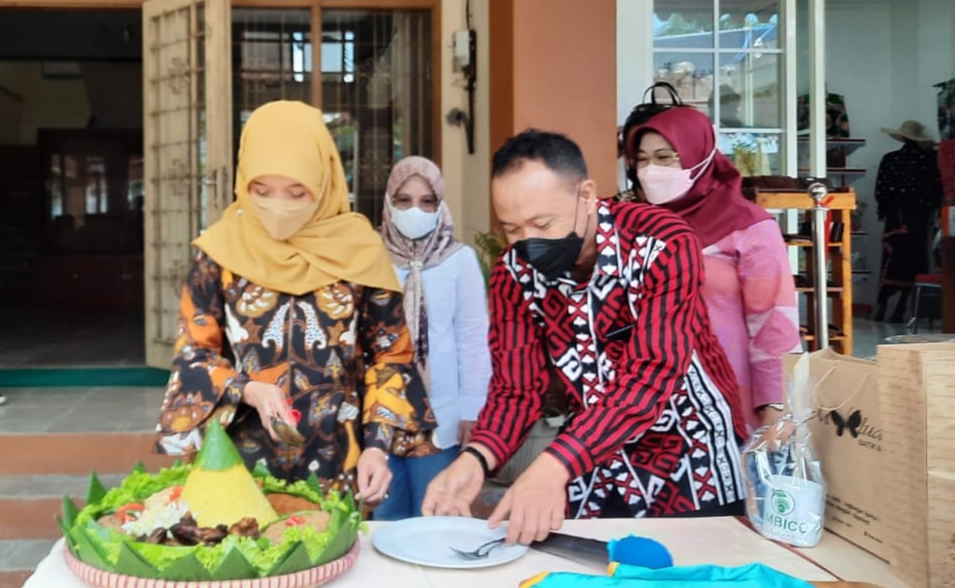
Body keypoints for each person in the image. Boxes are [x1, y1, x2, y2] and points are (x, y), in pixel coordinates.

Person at [422, 129, 747, 545]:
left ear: (587, 195)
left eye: (542, 223)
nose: (528, 243)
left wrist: (553, 465)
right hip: (592, 457)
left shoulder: (660, 243)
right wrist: (477, 457)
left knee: (694, 570)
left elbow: (651, 376)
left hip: (690, 453)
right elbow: (516, 390)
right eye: (511, 229)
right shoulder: (514, 275)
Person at [156, 101, 436, 505]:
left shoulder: (359, 253)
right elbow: (194, 353)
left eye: (296, 191)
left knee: (330, 562)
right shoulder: (219, 253)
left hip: (340, 460)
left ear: (323, 182)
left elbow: (390, 357)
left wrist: (378, 445)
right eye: (262, 190)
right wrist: (246, 388)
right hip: (237, 463)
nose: (279, 206)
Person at [621, 106, 801, 433]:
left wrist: (776, 408)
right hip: (650, 404)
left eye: (665, 157)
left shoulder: (749, 226)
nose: (651, 170)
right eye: (643, 159)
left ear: (699, 157)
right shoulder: (634, 225)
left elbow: (774, 323)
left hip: (730, 398)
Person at [372, 156, 493, 519]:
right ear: (389, 203)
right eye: (404, 201)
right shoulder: (369, 257)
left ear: (440, 204)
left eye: (427, 202)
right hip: (382, 416)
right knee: (386, 520)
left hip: (440, 415)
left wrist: (473, 409)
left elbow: (472, 338)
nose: (415, 210)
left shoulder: (459, 259)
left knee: (437, 516)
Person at [874, 120, 942, 323]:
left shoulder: (890, 159)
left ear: (903, 138)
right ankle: (903, 308)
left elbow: (881, 191)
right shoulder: (930, 159)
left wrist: (889, 209)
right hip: (919, 217)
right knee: (915, 261)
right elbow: (935, 191)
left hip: (895, 217)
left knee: (891, 258)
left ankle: (883, 308)